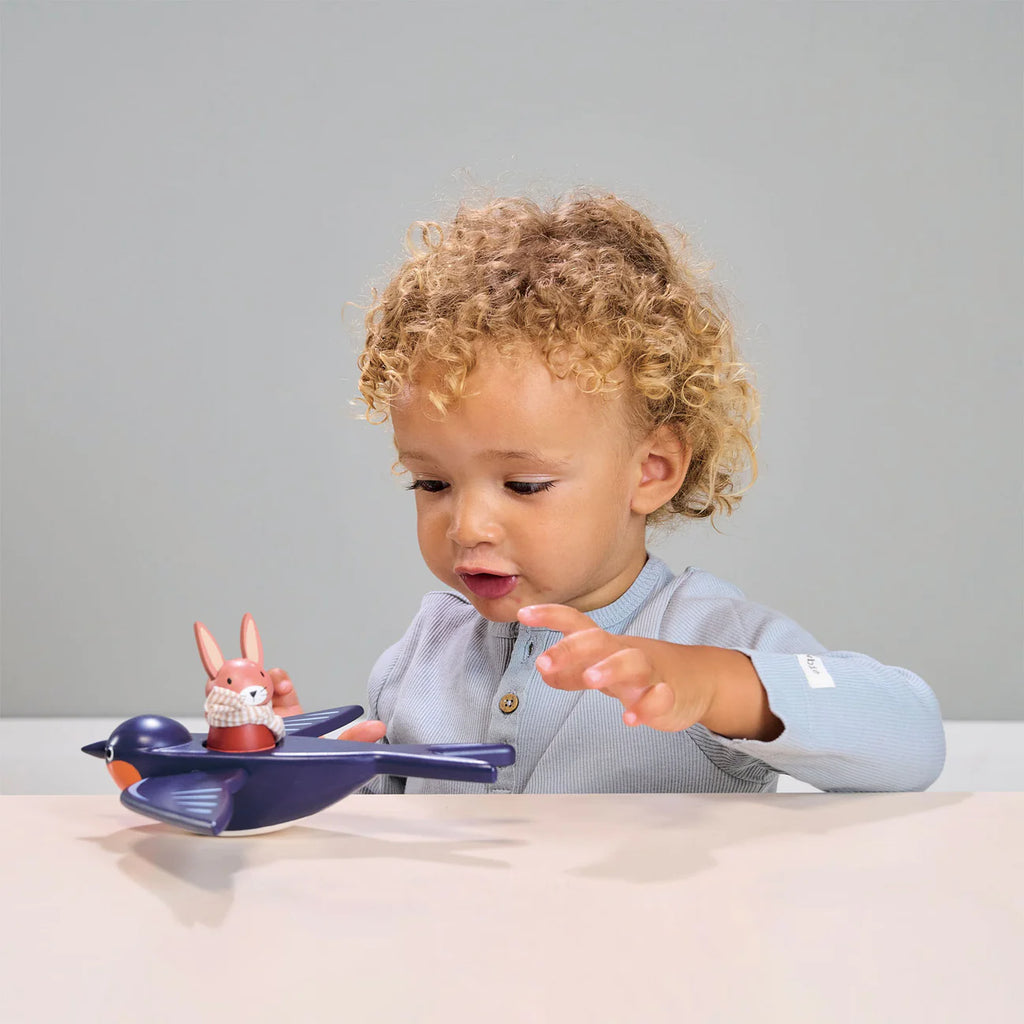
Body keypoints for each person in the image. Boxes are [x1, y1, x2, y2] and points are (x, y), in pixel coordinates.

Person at [272, 190, 945, 794]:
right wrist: (288, 761)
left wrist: (712, 684)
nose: (467, 524)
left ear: (651, 471)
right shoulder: (424, 654)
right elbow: (383, 834)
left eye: (524, 484)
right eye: (432, 482)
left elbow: (912, 738)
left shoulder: (710, 635)